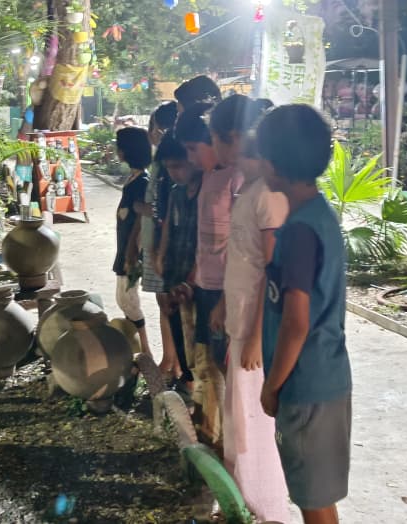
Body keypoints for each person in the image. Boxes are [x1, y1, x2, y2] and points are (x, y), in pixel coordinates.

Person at [257, 105, 352, 524]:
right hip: (327, 376)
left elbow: (296, 323)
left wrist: (271, 386)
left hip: (305, 385)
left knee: (312, 500)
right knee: (317, 496)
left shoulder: (299, 231)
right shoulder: (319, 214)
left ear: (275, 163)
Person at [206, 95, 290, 523]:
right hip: (240, 318)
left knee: (254, 422)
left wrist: (257, 334)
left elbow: (273, 271)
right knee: (238, 417)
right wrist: (224, 301)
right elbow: (242, 258)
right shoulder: (248, 189)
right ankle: (242, 499)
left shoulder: (270, 196)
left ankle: (266, 509)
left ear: (235, 140)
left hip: (257, 331)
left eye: (215, 141)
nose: (214, 150)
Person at [176, 102, 241, 447]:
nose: (190, 158)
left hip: (226, 291)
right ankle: (210, 434)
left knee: (226, 368)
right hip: (205, 286)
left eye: (193, 148)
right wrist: (192, 278)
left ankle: (231, 443)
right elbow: (206, 241)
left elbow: (243, 246)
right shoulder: (209, 178)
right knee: (207, 364)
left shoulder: (237, 179)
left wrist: (227, 299)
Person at [137, 102, 184, 379]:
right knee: (165, 302)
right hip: (157, 240)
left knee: (167, 302)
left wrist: (145, 211)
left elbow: (162, 206)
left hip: (161, 242)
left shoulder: (166, 161)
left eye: (153, 126)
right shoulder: (163, 158)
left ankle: (172, 362)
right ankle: (172, 360)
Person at [155, 135, 202, 396]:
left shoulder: (208, 191)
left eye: (178, 166)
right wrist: (161, 256)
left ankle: (196, 386)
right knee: (176, 325)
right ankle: (186, 377)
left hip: (198, 275)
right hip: (175, 268)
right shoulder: (176, 192)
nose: (174, 173)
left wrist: (193, 275)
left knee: (197, 336)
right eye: (169, 168)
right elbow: (168, 228)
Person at [114, 127, 153, 356]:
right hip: (125, 245)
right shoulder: (134, 178)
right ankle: (138, 346)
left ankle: (144, 349)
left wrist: (132, 252)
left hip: (131, 248)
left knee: (128, 299)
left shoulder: (142, 182)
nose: (117, 150)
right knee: (124, 298)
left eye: (119, 146)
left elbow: (140, 221)